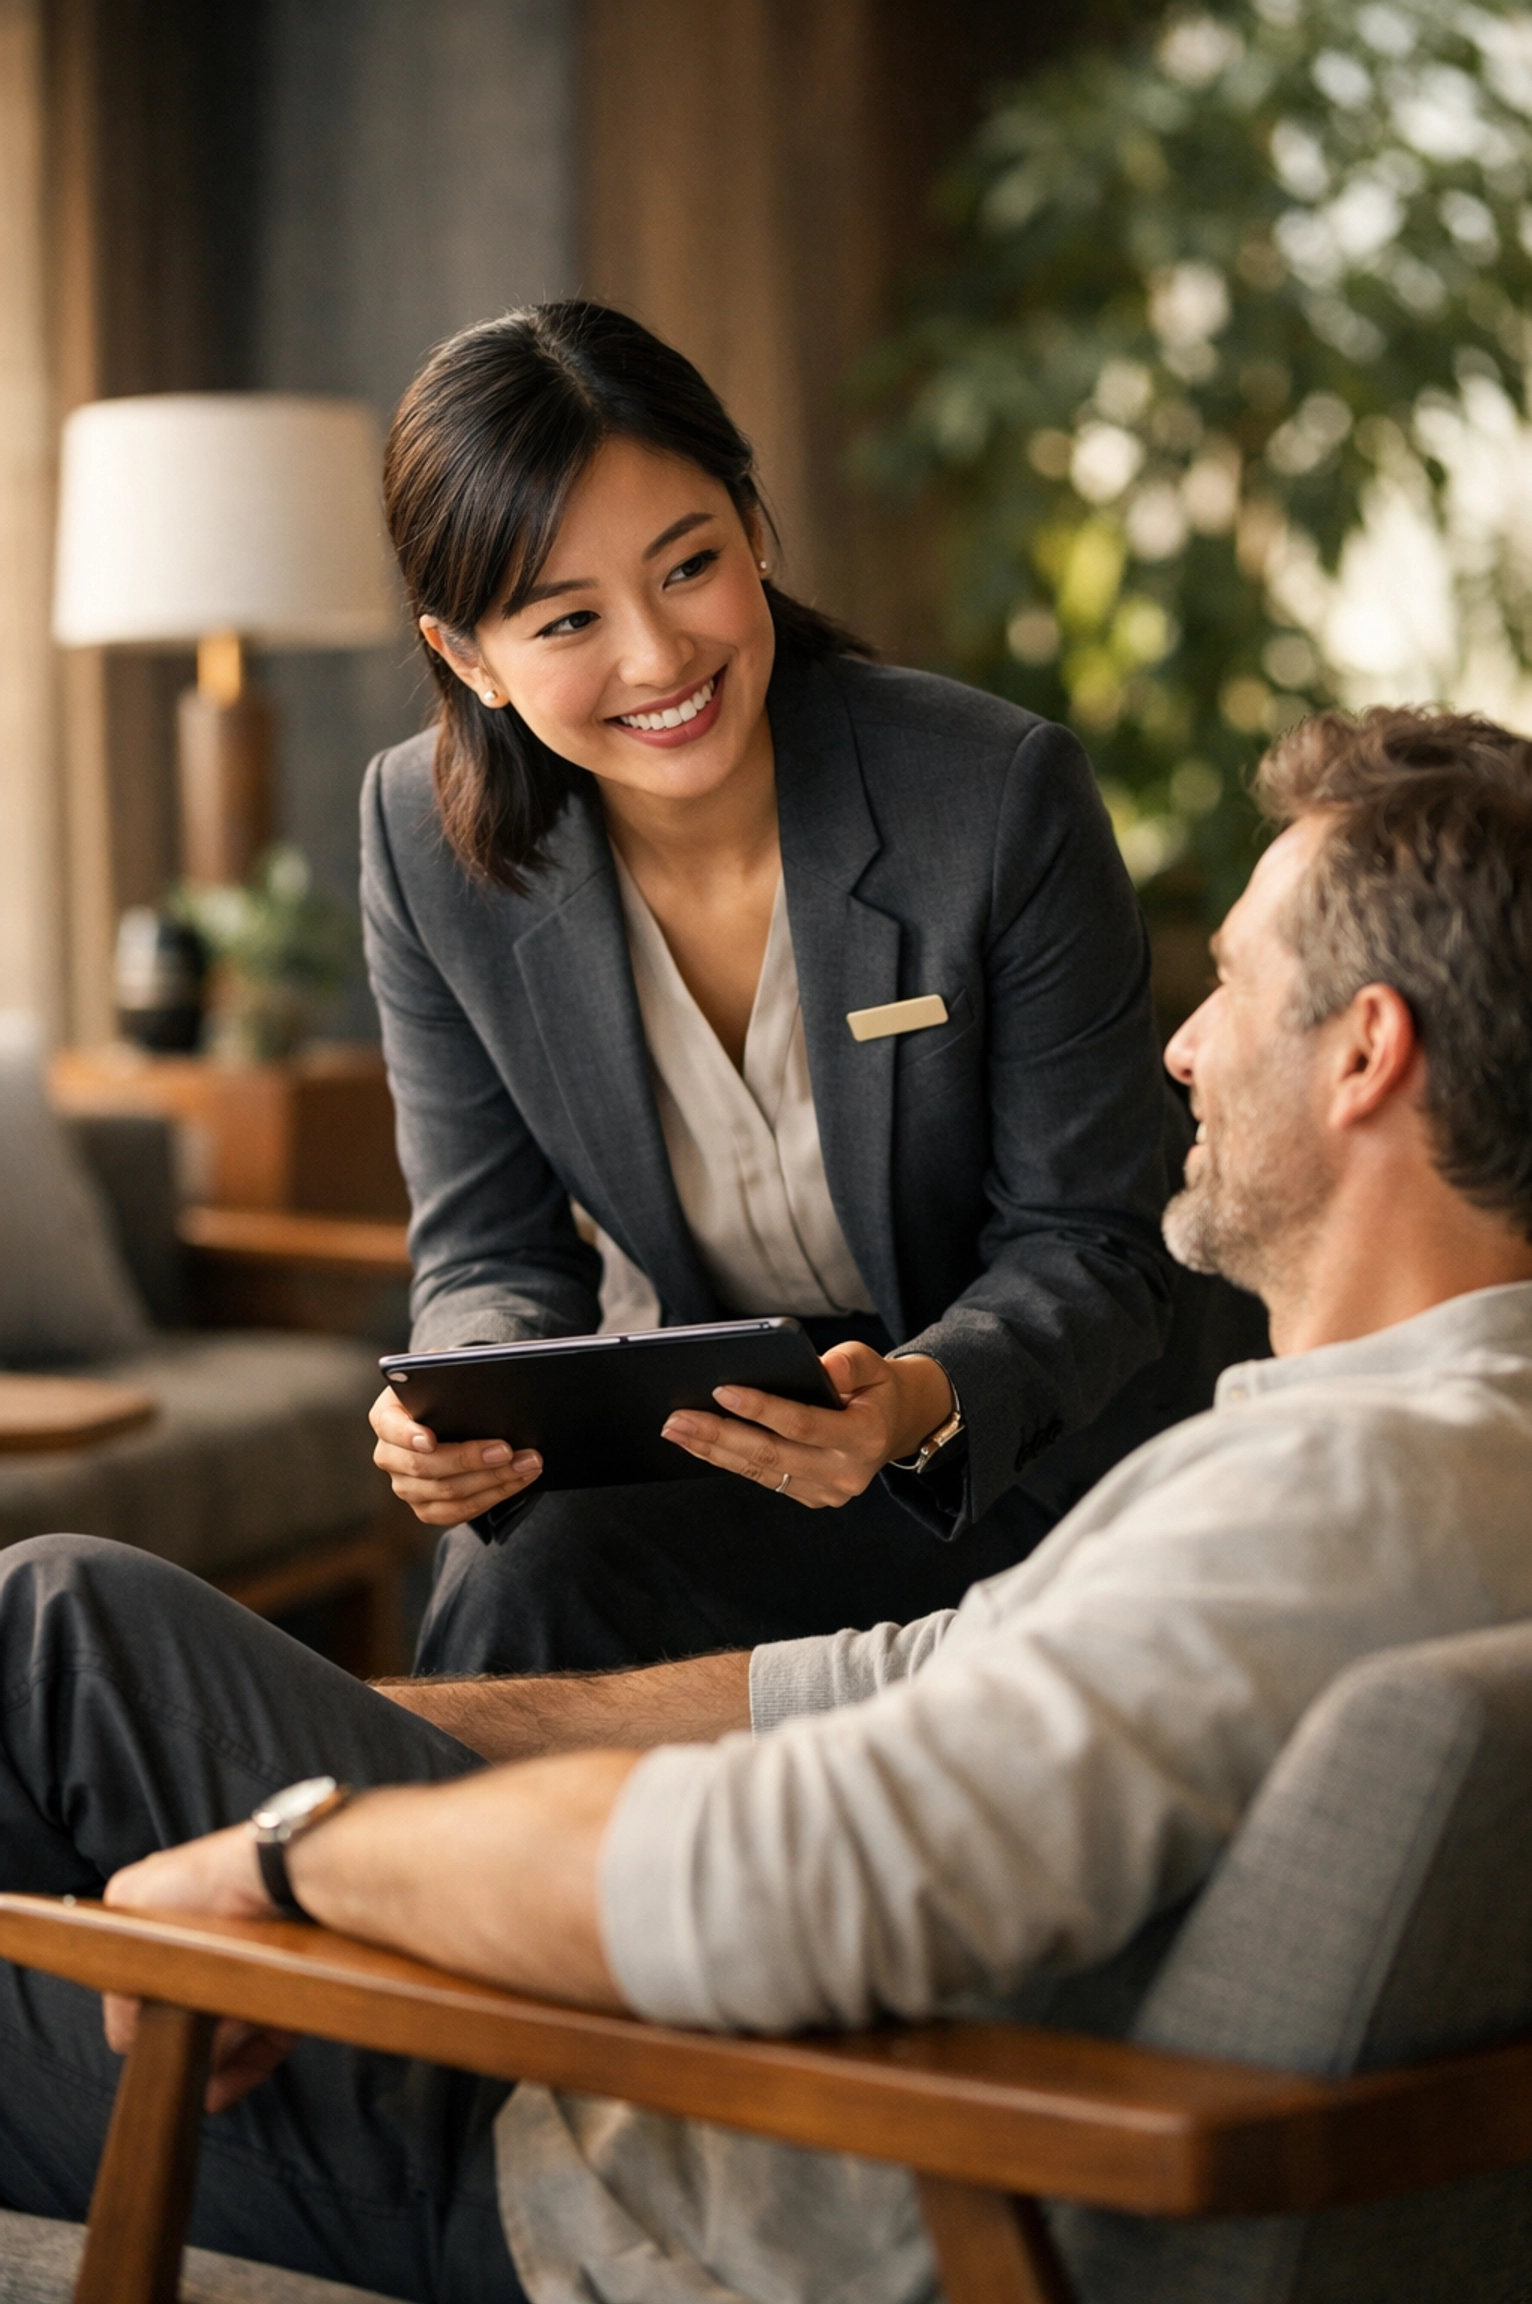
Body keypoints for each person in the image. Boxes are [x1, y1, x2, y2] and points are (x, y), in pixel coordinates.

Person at [2, 704, 1532, 2304]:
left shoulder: (1334, 1500)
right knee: (67, 1624)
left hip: (656, 2172)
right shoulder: (1446, 1451)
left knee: (42, 1679)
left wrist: (290, 1853)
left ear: (1367, 1051)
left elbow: (783, 1877)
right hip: (749, 2089)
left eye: (1231, 982)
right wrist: (362, 1727)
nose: (1182, 1045)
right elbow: (896, 1685)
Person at [361, 299, 1263, 1678]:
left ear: (753, 525)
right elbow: (490, 1252)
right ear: (465, 657)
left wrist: (909, 1402)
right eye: (566, 619)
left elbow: (1093, 1247)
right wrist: (465, 1398)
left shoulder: (993, 796)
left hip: (1030, 1450)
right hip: (729, 1450)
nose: (659, 659)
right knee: (517, 1570)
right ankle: (411, 1886)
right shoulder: (422, 842)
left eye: (689, 566)